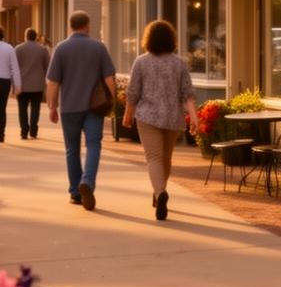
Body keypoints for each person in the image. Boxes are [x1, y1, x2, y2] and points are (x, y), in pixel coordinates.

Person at [122, 20, 198, 221]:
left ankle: (160, 192)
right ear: (171, 40)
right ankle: (159, 193)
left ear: (149, 39)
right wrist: (194, 117)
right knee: (166, 158)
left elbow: (133, 92)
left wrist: (128, 114)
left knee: (153, 158)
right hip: (172, 117)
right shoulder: (179, 63)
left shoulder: (141, 61)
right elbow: (187, 94)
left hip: (147, 117)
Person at [45, 11, 115, 210]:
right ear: (87, 25)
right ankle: (88, 182)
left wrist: (52, 106)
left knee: (72, 149)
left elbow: (53, 82)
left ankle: (75, 193)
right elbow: (110, 78)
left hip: (70, 108)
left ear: (70, 26)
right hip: (94, 107)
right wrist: (112, 102)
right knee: (93, 145)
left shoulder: (61, 48)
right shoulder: (98, 47)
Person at [14, 28, 50, 139]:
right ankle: (33, 130)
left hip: (22, 84)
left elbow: (14, 67)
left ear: (25, 36)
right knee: (35, 107)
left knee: (22, 108)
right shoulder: (43, 49)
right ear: (36, 37)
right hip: (37, 85)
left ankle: (24, 131)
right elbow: (47, 66)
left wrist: (14, 84)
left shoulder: (18, 49)